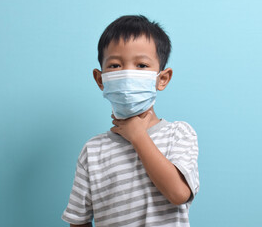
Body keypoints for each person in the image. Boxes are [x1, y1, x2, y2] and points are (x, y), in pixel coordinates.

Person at [61, 15, 200, 227]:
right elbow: (78, 220)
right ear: (100, 79)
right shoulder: (93, 151)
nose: (127, 74)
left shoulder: (179, 134)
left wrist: (138, 136)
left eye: (142, 65)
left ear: (162, 79)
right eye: (115, 65)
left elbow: (178, 193)